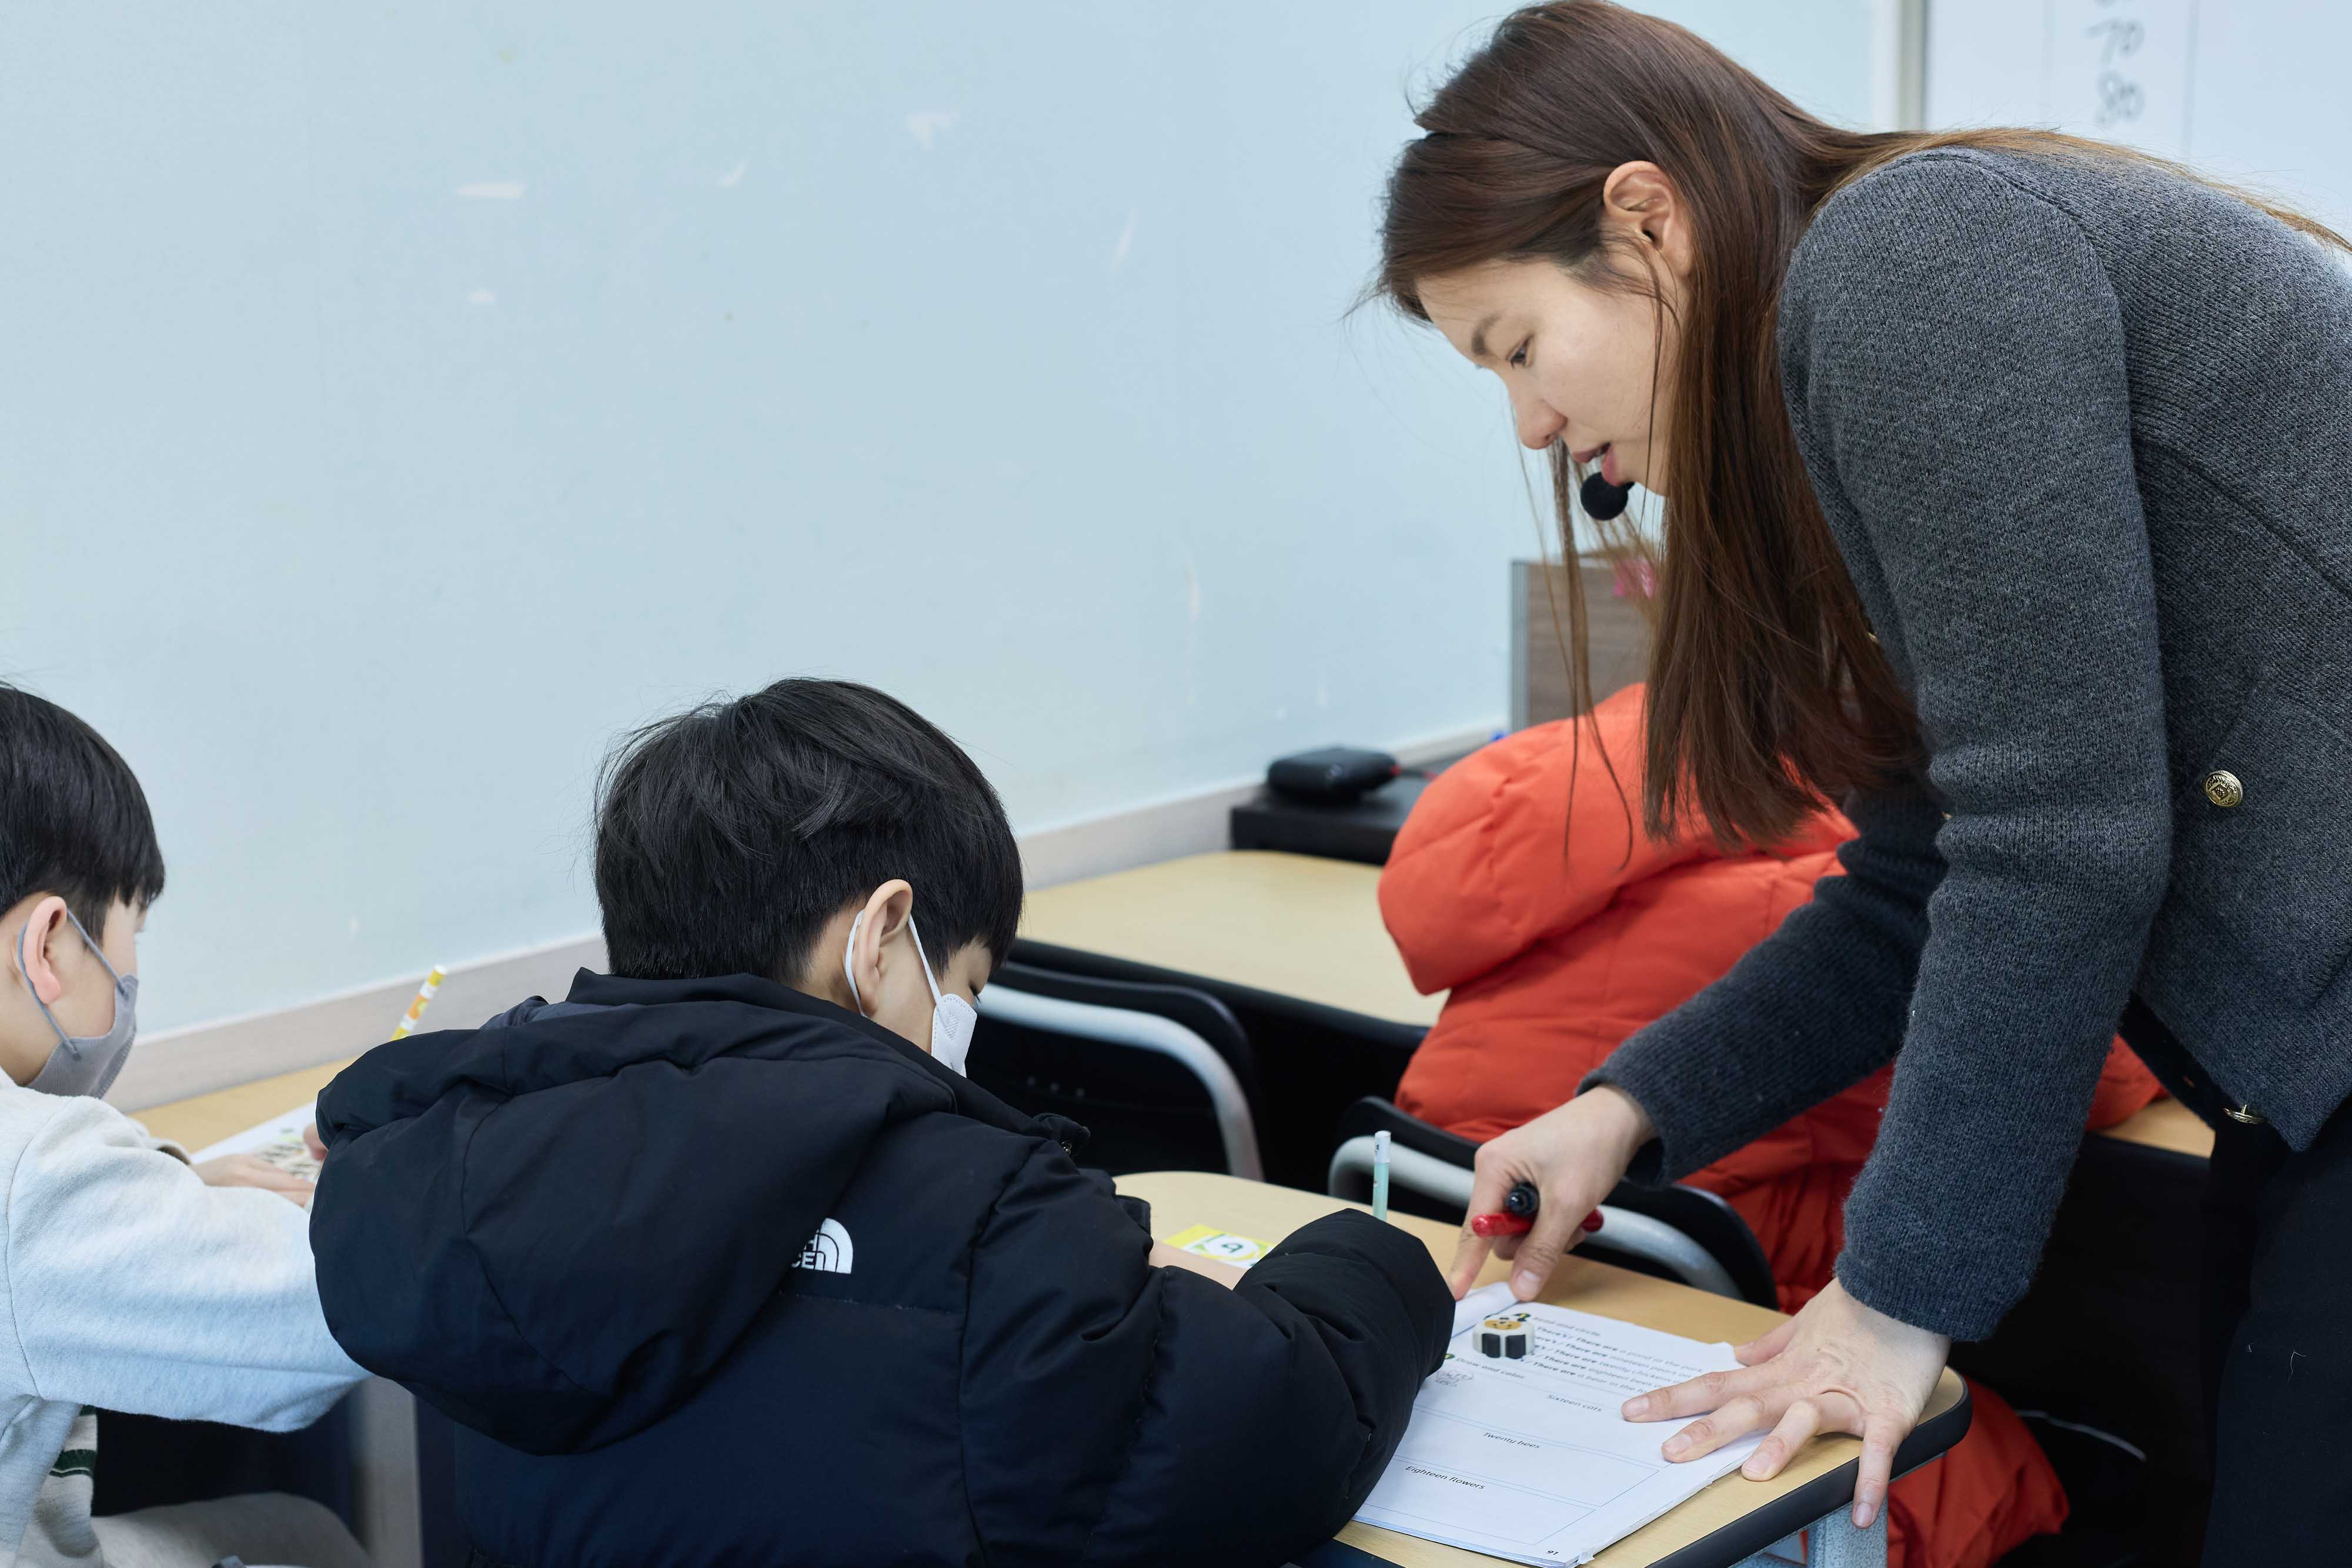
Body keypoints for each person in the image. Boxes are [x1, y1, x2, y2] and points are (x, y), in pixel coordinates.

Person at [1368, 4, 2352, 1561]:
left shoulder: (1914, 261)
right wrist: (1630, 1106)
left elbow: (2058, 845)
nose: (1536, 428)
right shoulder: (1832, 375)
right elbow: (1924, 873)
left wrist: (1898, 1294)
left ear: (1647, 217)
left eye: (1519, 348)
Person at [306, 678, 1451, 1568]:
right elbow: (1280, 1431)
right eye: (966, 981)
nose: (963, 1020)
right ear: (881, 930)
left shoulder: (458, 1168)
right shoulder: (984, 1224)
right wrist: (1376, 1258)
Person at [1381, 681, 2176, 1568]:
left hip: (1510, 1338)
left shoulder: (1525, 817)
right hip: (1730, 1338)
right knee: (2017, 1446)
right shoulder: (1808, 893)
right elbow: (2095, 1056)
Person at [0, 684, 369, 1568]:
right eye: (133, 931)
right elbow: (332, 1311)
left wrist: (165, 1183)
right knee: (310, 1540)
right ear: (49, 945)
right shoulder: (32, 1174)